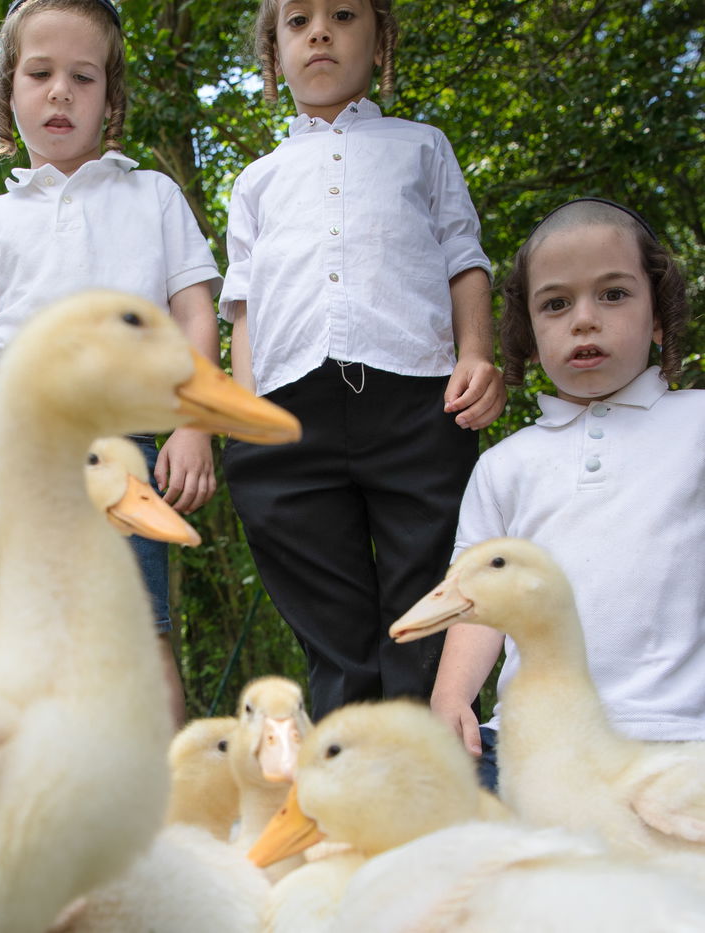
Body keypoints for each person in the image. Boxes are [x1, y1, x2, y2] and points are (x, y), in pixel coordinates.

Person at [0, 0, 222, 727]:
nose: (60, 91)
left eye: (82, 77)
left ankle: (166, 810)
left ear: (110, 98)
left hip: (119, 431)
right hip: (6, 433)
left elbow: (193, 314)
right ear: (9, 92)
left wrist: (193, 428)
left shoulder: (152, 195)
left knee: (136, 623)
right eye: (40, 73)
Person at [219, 0, 505, 720]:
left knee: (423, 602)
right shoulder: (257, 180)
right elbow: (245, 306)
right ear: (273, 55)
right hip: (288, 418)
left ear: (380, 43)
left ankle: (431, 766)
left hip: (417, 402)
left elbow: (464, 258)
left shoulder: (421, 146)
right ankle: (351, 775)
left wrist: (476, 353)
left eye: (343, 14)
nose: (319, 31)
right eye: (296, 21)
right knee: (334, 625)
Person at [429, 198, 704, 788]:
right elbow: (479, 601)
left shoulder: (698, 425)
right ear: (529, 339)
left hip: (681, 739)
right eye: (556, 304)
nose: (584, 319)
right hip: (531, 747)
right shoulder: (506, 467)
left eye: (613, 294)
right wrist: (451, 697)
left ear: (658, 318)